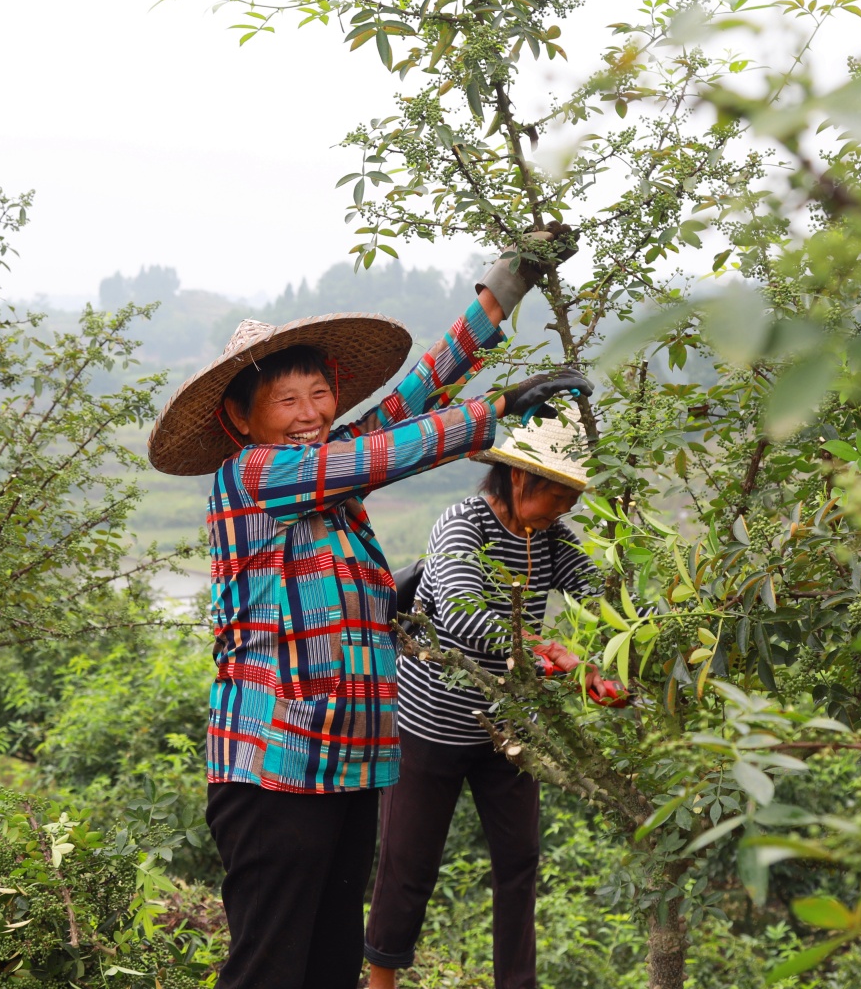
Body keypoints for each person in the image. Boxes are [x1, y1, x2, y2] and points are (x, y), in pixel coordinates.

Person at [145, 230, 588, 989]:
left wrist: (500, 294)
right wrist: (502, 411)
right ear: (243, 421)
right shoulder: (254, 476)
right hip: (274, 769)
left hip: (347, 765)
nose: (310, 411)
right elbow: (387, 453)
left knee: (327, 967)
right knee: (270, 969)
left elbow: (412, 403)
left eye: (319, 393)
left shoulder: (325, 478)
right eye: (286, 400)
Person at [365, 418, 628, 989]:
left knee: (519, 862)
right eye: (554, 496)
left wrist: (611, 661)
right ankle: (381, 980)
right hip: (429, 726)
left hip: (509, 729)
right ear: (517, 478)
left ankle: (516, 983)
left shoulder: (554, 538)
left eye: (570, 500)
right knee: (407, 866)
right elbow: (460, 609)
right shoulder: (461, 525)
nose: (561, 510)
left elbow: (596, 597)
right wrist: (547, 650)